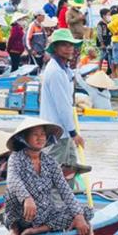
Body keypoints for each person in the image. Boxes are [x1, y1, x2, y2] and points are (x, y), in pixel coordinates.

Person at [1, 118, 91, 235]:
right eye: (35, 134)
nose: (41, 138)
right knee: (11, 191)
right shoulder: (16, 158)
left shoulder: (51, 163)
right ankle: (15, 230)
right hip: (22, 215)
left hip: (44, 215)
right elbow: (12, 179)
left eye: (43, 134)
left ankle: (37, 230)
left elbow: (65, 190)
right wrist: (26, 198)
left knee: (86, 212)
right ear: (24, 138)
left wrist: (79, 217)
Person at [37, 29, 81, 167]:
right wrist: (74, 133)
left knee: (71, 168)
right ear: (55, 48)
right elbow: (63, 107)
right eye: (64, 45)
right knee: (54, 172)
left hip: (65, 130)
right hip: (57, 131)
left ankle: (71, 190)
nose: (69, 49)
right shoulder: (55, 71)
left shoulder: (64, 69)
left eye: (70, 45)